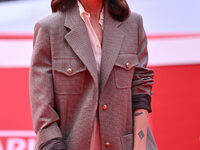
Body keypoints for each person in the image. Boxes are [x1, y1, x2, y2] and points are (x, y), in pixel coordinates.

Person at [29, 0, 158, 150]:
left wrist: (140, 147)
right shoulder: (48, 29)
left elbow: (140, 90)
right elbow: (43, 112)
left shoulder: (133, 24)